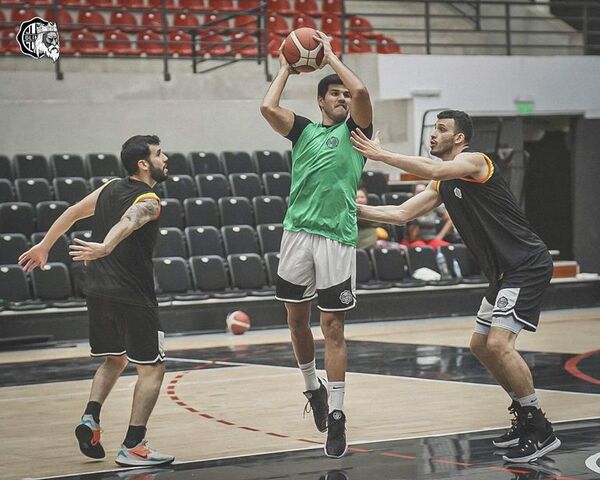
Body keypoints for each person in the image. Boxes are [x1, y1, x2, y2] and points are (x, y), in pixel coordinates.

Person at [350, 110, 560, 463]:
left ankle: (540, 427)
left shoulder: (476, 162)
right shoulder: (443, 182)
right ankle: (524, 415)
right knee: (480, 346)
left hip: (526, 264)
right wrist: (348, 210)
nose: (434, 134)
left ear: (459, 138)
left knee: (499, 343)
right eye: (434, 127)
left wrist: (380, 155)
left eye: (442, 129)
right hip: (503, 273)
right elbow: (401, 214)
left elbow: (432, 169)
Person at [18, 135, 174, 467]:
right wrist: (104, 247)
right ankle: (134, 445)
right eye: (159, 154)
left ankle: (91, 417)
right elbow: (129, 221)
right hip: (132, 295)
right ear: (143, 164)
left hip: (98, 292)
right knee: (153, 369)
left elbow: (73, 212)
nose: (165, 158)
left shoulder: (109, 188)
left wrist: (45, 245)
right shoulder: (151, 199)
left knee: (114, 360)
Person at [260, 31, 373, 458]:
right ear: (322, 101)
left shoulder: (357, 133)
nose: (344, 97)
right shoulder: (304, 131)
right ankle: (313, 389)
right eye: (335, 94)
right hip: (296, 235)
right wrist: (287, 67)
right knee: (295, 321)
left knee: (333, 328)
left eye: (345, 94)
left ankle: (338, 416)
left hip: (337, 238)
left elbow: (361, 89)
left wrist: (331, 58)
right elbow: (267, 107)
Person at [356, 186, 401, 250]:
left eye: (362, 197)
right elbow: (367, 221)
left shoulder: (372, 210)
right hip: (362, 243)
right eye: (357, 198)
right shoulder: (351, 213)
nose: (360, 199)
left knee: (400, 248)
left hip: (374, 241)